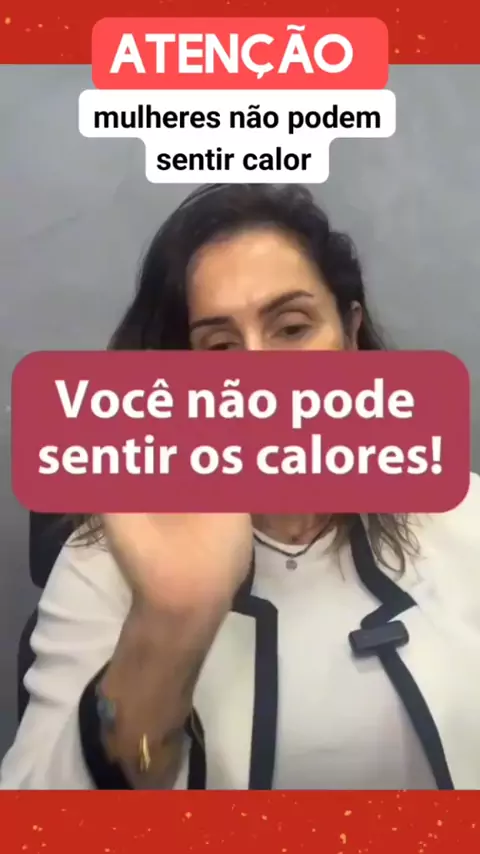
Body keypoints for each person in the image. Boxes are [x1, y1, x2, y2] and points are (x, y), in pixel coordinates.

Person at [2, 183, 480, 791]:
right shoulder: (108, 557)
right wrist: (169, 626)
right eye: (221, 347)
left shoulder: (462, 516)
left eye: (292, 328)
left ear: (351, 335)